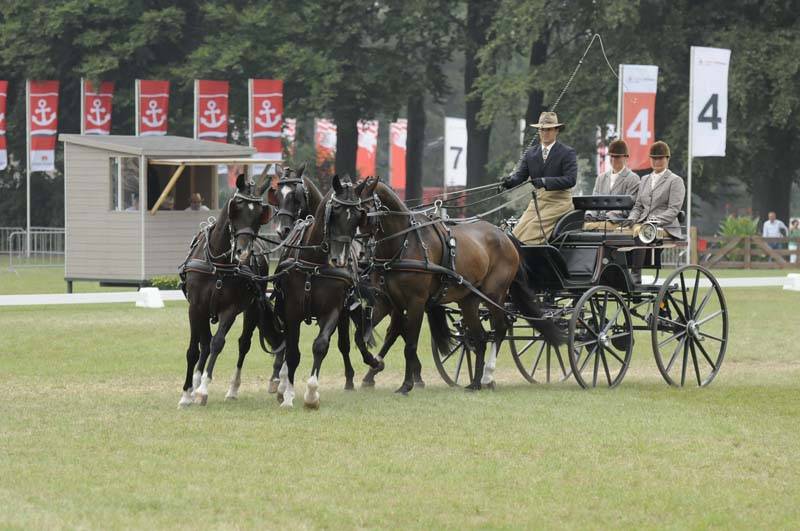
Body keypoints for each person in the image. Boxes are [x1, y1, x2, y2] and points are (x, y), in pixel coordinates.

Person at [499, 111, 577, 244]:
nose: (545, 133)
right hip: (538, 201)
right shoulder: (531, 153)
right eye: (542, 129)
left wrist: (545, 181)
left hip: (559, 202)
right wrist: (509, 182)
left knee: (531, 233)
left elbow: (571, 180)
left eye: (549, 129)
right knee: (515, 235)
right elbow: (520, 176)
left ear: (556, 130)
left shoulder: (567, 152)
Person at [584, 139, 640, 227]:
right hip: (599, 221)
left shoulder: (633, 179)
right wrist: (590, 214)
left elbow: (630, 207)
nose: (613, 159)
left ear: (626, 157)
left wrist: (609, 216)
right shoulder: (601, 178)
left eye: (617, 157)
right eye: (611, 156)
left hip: (619, 224)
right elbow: (594, 203)